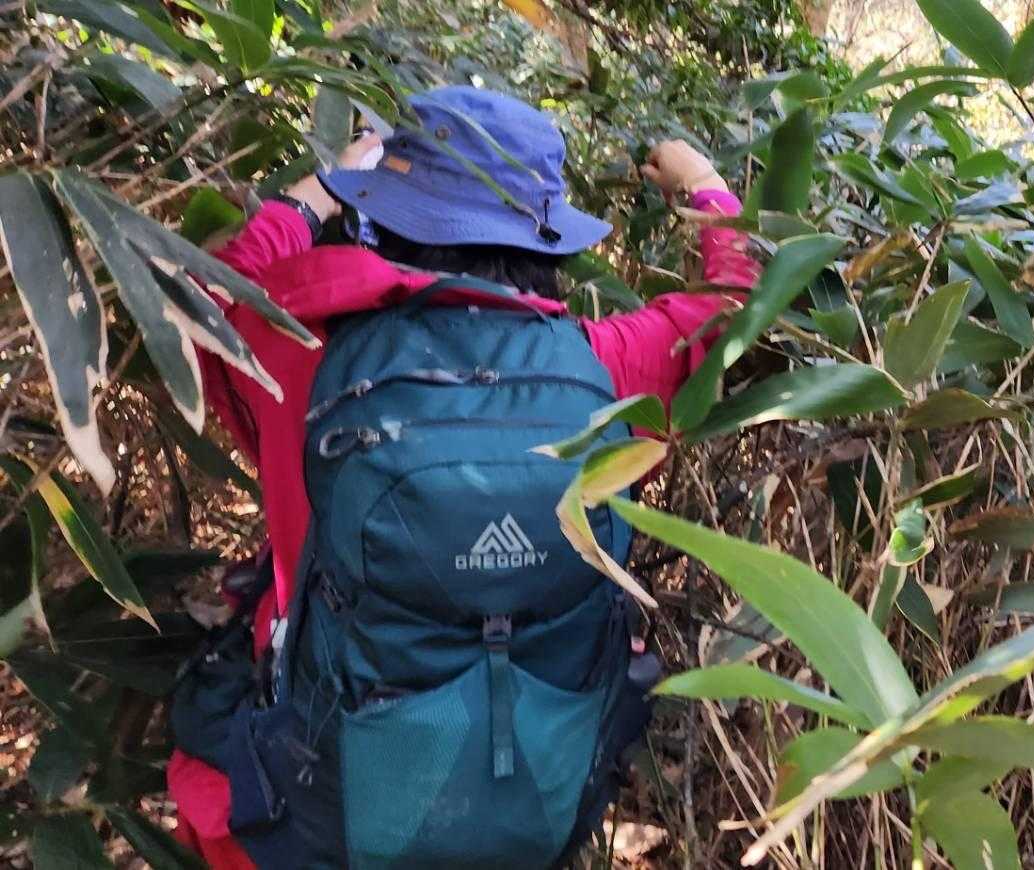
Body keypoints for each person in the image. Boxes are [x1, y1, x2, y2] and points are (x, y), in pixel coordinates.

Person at [165, 85, 756, 869]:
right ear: (546, 239)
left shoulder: (299, 348)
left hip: (320, 793)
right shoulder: (603, 369)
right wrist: (702, 183)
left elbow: (201, 297)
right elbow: (740, 304)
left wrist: (319, 192)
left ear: (383, 212)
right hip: (527, 790)